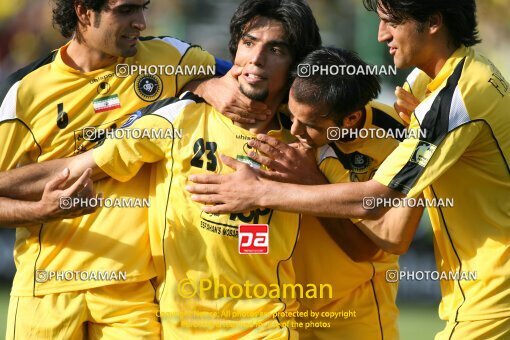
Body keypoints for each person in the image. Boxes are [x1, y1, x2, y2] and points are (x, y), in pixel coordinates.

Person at [186, 1, 510, 339]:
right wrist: (205, 85)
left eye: (391, 23)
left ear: (432, 22)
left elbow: (378, 206)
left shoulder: (456, 98)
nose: (382, 35)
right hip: (469, 292)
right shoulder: (423, 88)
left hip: (494, 291)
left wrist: (261, 192)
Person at [0, 0, 322, 338]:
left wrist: (201, 86)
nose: (140, 22)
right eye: (125, 11)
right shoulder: (24, 92)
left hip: (133, 294)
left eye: (143, 8)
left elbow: (252, 78)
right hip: (48, 285)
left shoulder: (171, 57)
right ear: (84, 11)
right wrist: (38, 210)